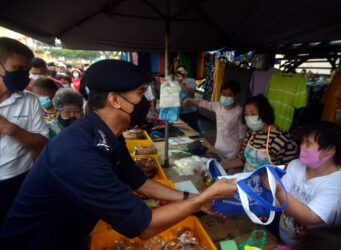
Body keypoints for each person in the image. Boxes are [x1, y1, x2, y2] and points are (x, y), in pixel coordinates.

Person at [0, 60, 237, 250]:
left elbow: (139, 181)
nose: (145, 101)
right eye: (140, 93)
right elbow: (143, 227)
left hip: (70, 234)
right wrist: (205, 196)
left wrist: (192, 198)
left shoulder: (108, 135)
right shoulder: (78, 153)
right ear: (114, 100)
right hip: (35, 243)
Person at [263, 122, 341, 244]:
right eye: (303, 141)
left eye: (308, 143)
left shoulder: (337, 184)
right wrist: (264, 209)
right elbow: (278, 200)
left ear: (329, 150)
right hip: (282, 237)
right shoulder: (295, 165)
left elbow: (310, 217)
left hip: (308, 246)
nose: (302, 146)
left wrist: (278, 189)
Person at [0, 37, 49, 226]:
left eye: (27, 70)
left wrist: (10, 128)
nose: (25, 76)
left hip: (19, 180)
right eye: (18, 69)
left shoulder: (30, 100)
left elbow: (42, 143)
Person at [222, 95, 298, 172]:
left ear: (264, 113)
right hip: (246, 179)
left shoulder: (279, 138)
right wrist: (222, 166)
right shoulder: (250, 134)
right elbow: (242, 160)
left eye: (253, 114)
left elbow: (291, 169)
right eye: (246, 114)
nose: (249, 118)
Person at [182, 80, 246, 160]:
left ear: (236, 95)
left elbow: (242, 137)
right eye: (223, 94)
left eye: (229, 95)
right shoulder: (218, 106)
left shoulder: (239, 112)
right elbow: (204, 103)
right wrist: (189, 100)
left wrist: (237, 155)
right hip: (217, 149)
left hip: (231, 154)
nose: (225, 97)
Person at [176, 65, 200, 132]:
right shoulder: (175, 82)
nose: (180, 73)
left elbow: (191, 90)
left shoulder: (191, 80)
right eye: (179, 72)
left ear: (186, 72)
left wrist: (183, 82)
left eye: (182, 71)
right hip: (179, 112)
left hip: (191, 110)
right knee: (181, 131)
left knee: (194, 131)